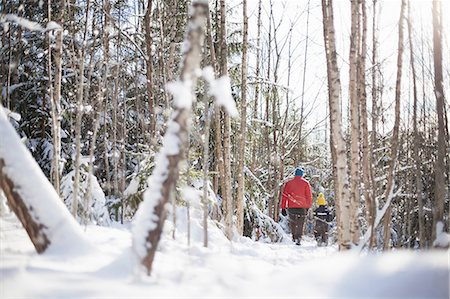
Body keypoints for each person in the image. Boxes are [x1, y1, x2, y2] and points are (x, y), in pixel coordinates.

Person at [280, 168, 312, 245]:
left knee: (293, 222)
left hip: (291, 207)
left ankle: (294, 237)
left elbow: (284, 196)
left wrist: (283, 207)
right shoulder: (306, 183)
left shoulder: (289, 183)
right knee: (301, 223)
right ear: (301, 174)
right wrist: (308, 206)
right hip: (302, 207)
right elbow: (309, 196)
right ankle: (299, 238)